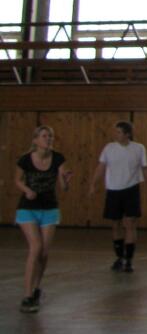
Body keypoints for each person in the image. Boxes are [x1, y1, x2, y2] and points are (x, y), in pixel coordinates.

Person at [14, 125, 72, 314]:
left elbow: (63, 187)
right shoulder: (25, 160)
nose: (48, 139)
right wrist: (27, 190)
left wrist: (65, 181)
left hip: (49, 209)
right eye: (44, 136)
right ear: (35, 140)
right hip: (28, 209)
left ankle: (36, 288)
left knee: (44, 253)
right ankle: (27, 295)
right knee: (36, 247)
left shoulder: (58, 158)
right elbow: (17, 180)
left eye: (50, 136)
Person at [89, 121, 147, 272]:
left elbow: (145, 168)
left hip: (131, 189)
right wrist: (93, 183)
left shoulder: (139, 148)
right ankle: (119, 256)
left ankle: (128, 259)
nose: (115, 134)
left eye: (119, 132)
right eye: (115, 131)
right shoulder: (109, 148)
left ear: (127, 134)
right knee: (116, 223)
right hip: (113, 189)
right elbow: (101, 167)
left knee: (130, 223)